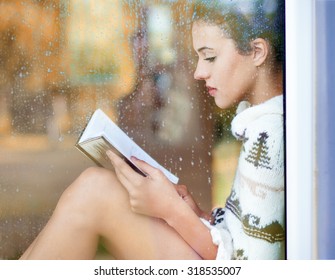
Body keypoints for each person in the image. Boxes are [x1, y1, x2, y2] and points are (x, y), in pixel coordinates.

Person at [20, 0, 285, 260]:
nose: (198, 72)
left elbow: (248, 264)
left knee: (95, 192)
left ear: (258, 52)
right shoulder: (264, 123)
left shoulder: (271, 137)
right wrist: (197, 214)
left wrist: (171, 210)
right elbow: (243, 232)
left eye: (210, 57)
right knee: (93, 187)